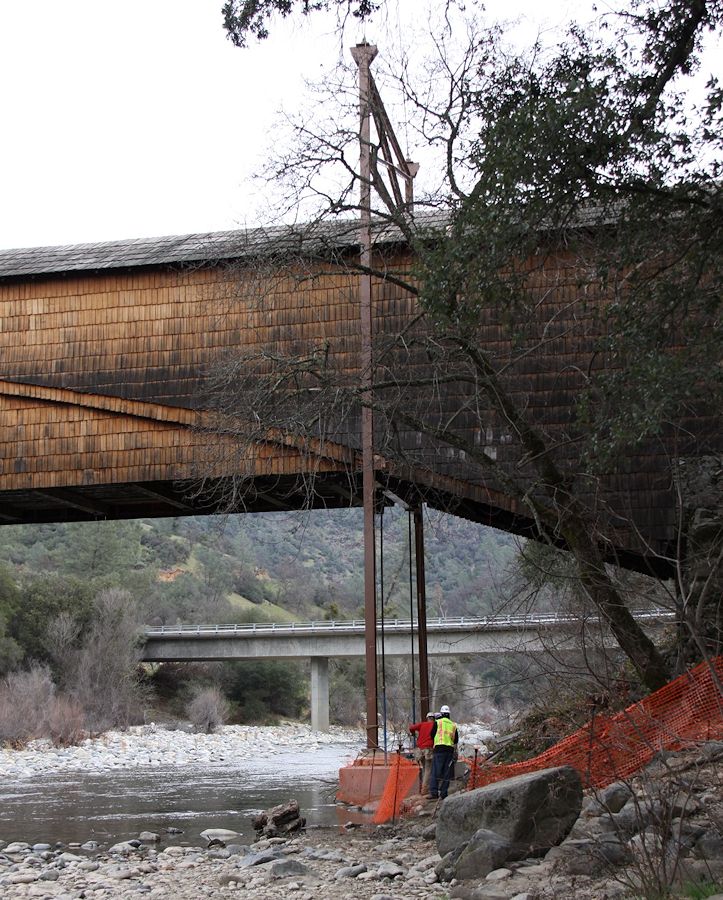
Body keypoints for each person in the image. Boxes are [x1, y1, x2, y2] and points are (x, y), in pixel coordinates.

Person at [427, 704, 458, 800]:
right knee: (446, 772)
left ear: (441, 713)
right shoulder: (453, 725)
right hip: (449, 750)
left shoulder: (438, 722)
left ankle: (434, 792)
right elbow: (456, 740)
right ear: (449, 714)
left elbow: (432, 734)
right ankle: (443, 794)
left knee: (436, 771)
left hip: (439, 749)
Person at [409, 711, 436, 795]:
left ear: (427, 718)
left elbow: (411, 727)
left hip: (419, 750)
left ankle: (423, 787)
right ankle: (424, 790)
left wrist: (413, 734)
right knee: (428, 769)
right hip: (429, 749)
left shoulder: (422, 724)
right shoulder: (435, 725)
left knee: (424, 768)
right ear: (434, 718)